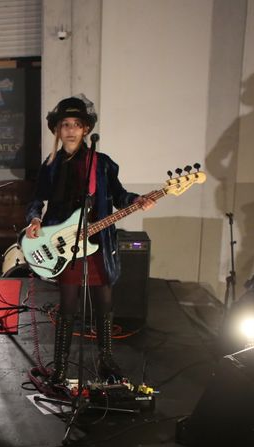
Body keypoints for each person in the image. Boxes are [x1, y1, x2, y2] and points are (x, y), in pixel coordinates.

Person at [25, 95, 156, 383]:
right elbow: (36, 200)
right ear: (57, 130)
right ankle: (60, 366)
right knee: (68, 305)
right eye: (65, 125)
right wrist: (34, 219)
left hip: (98, 242)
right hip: (64, 245)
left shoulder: (102, 164)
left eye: (77, 124)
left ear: (86, 129)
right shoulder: (50, 165)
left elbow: (120, 196)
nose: (71, 130)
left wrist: (137, 200)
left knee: (103, 303)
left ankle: (106, 360)